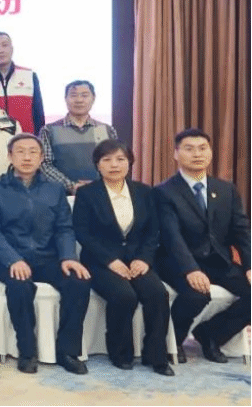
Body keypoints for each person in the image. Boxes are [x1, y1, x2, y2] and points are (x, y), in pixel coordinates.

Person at [0, 133, 91, 375]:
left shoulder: (55, 190)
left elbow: (64, 228)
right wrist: (13, 259)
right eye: (20, 152)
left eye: (33, 152)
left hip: (46, 257)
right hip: (6, 258)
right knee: (20, 285)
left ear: (41, 158)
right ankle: (27, 351)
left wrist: (68, 257)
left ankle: (67, 351)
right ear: (10, 156)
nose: (27, 157)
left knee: (79, 282)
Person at [72, 140, 173, 376]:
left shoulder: (145, 192)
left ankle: (156, 355)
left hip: (138, 260)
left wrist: (144, 259)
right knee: (124, 295)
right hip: (100, 261)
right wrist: (110, 260)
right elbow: (83, 233)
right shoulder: (87, 194)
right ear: (97, 165)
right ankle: (120, 353)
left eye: (120, 159)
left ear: (129, 163)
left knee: (158, 294)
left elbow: (153, 231)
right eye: (106, 160)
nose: (114, 165)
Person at [154, 128, 250, 364]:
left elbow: (241, 231)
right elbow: (171, 236)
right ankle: (173, 340)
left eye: (202, 148)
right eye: (189, 149)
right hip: (177, 262)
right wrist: (191, 269)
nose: (197, 154)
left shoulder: (226, 189)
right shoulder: (163, 192)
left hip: (218, 261)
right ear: (176, 154)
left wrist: (249, 266)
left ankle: (211, 334)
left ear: (210, 152)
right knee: (197, 295)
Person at [39, 81, 119, 194]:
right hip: (61, 196)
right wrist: (72, 186)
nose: (79, 100)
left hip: (101, 193)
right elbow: (44, 164)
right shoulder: (49, 130)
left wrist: (98, 185)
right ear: (65, 99)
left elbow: (115, 162)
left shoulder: (107, 130)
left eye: (84, 95)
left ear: (93, 98)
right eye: (73, 95)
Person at [0, 32, 45, 134]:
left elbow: (38, 113)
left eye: (4, 45)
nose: (0, 50)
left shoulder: (28, 75)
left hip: (24, 139)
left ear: (12, 49)